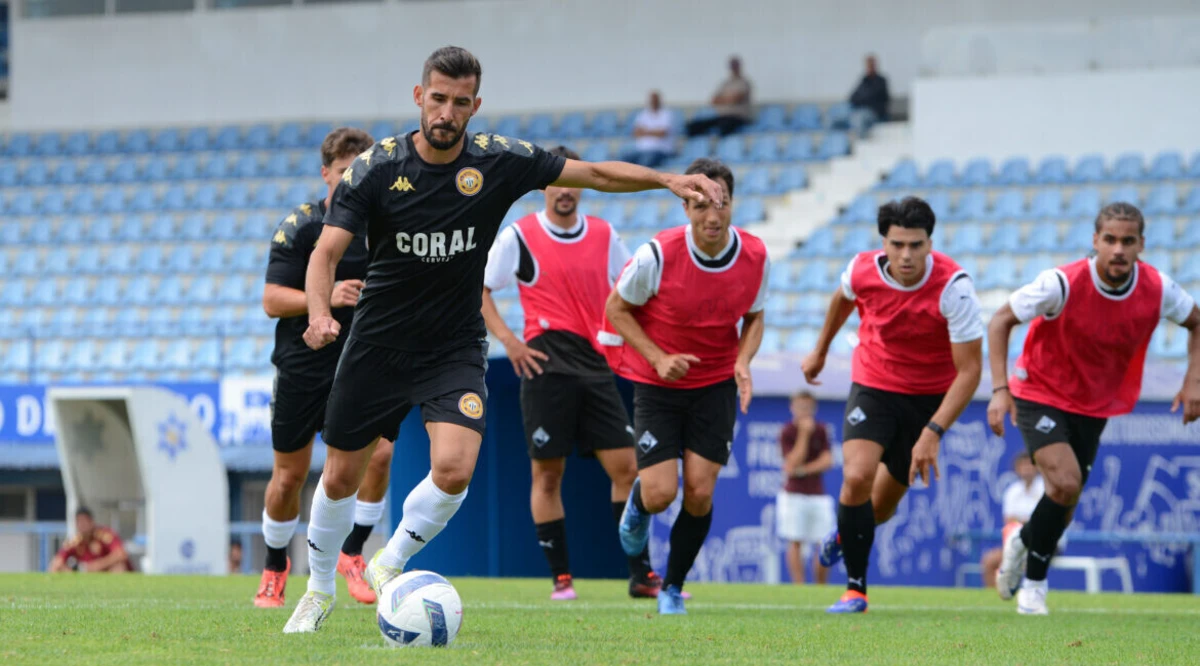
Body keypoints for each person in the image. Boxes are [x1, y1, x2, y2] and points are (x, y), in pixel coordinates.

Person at [284, 45, 724, 634]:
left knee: (456, 468)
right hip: (377, 346)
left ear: (475, 105)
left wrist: (666, 179)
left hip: (453, 348)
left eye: (459, 102)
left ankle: (390, 563)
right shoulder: (377, 166)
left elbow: (592, 174)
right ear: (419, 97)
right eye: (437, 98)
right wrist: (317, 312)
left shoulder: (499, 160)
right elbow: (326, 253)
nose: (446, 111)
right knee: (339, 477)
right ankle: (315, 591)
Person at [987, 202, 1199, 615]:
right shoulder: (1060, 283)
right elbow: (999, 321)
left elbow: (1196, 321)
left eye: (1128, 241)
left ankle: (1022, 539)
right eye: (1110, 240)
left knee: (1063, 506)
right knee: (1064, 485)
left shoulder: (1157, 288)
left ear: (1141, 244)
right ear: (1095, 241)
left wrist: (1193, 380)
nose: (1118, 249)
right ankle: (1034, 586)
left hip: (1093, 404)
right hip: (1040, 391)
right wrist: (999, 390)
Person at [481, 145, 663, 600]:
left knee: (628, 470)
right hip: (545, 366)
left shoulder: (604, 234)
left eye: (574, 184)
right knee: (547, 475)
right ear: (545, 187)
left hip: (596, 365)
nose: (566, 192)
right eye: (558, 184)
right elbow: (478, 288)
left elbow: (633, 287)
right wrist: (509, 341)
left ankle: (640, 574)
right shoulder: (519, 235)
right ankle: (561, 578)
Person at [802, 196, 983, 614]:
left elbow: (970, 372)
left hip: (927, 398)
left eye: (916, 245)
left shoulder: (955, 288)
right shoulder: (862, 268)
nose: (906, 255)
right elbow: (842, 298)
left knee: (879, 508)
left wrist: (932, 433)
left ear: (929, 243)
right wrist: (821, 350)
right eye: (897, 244)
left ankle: (845, 534)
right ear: (883, 241)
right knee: (857, 477)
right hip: (874, 383)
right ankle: (855, 590)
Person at [605, 157, 770, 615]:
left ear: (733, 204)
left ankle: (673, 588)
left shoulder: (756, 256)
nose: (712, 215)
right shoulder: (656, 255)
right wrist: (658, 358)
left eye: (720, 203)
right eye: (700, 204)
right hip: (658, 384)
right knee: (661, 494)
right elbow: (616, 309)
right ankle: (637, 507)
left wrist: (743, 361)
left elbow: (755, 317)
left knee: (699, 491)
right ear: (685, 208)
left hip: (715, 384)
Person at [255, 127, 395, 609]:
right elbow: (271, 300)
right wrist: (325, 298)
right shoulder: (301, 225)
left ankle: (352, 553)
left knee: (379, 457)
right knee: (289, 478)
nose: (352, 180)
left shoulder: (384, 227)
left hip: (363, 365)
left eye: (361, 171)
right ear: (326, 174)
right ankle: (275, 566)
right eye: (343, 172)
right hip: (303, 367)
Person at [776, 391, 835, 585]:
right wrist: (804, 434)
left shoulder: (821, 429)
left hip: (818, 494)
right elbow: (791, 462)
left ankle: (820, 587)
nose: (804, 411)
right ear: (792, 407)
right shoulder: (787, 431)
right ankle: (799, 587)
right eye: (800, 407)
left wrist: (803, 471)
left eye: (808, 407)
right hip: (793, 495)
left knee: (825, 543)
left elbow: (827, 460)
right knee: (795, 541)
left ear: (814, 408)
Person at [980, 453, 1043, 589]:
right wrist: (1028, 522)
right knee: (990, 561)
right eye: (1023, 465)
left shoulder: (1046, 489)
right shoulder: (1013, 491)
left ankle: (1028, 596)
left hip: (1045, 544)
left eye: (1029, 465)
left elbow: (1044, 523)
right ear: (1017, 468)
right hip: (1018, 543)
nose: (1026, 469)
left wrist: (1023, 522)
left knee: (1026, 562)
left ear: (1037, 467)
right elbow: (1009, 522)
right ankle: (996, 598)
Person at [685, 56, 753, 137]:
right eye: (732, 66)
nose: (733, 68)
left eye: (735, 66)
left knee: (724, 127)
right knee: (693, 126)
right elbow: (713, 100)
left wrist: (724, 99)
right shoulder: (725, 83)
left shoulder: (744, 82)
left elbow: (735, 99)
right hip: (723, 116)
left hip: (738, 117)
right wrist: (729, 98)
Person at [49, 508, 132, 573]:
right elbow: (57, 561)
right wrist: (71, 572)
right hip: (85, 576)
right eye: (79, 522)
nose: (82, 525)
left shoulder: (104, 535)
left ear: (91, 522)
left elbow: (121, 554)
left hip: (106, 572)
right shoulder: (76, 541)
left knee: (119, 567)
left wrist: (96, 566)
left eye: (84, 521)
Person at [625, 91, 674, 168]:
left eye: (655, 99)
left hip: (660, 150)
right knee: (625, 159)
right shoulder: (643, 114)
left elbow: (662, 133)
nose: (653, 101)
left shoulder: (666, 114)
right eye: (652, 99)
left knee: (645, 162)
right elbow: (636, 132)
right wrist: (654, 131)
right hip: (641, 150)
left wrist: (645, 131)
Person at [848, 54, 889, 122]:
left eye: (871, 65)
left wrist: (862, 99)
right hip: (861, 110)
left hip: (875, 113)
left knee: (860, 118)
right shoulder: (864, 81)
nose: (869, 68)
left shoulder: (881, 81)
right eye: (868, 66)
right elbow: (853, 97)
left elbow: (872, 97)